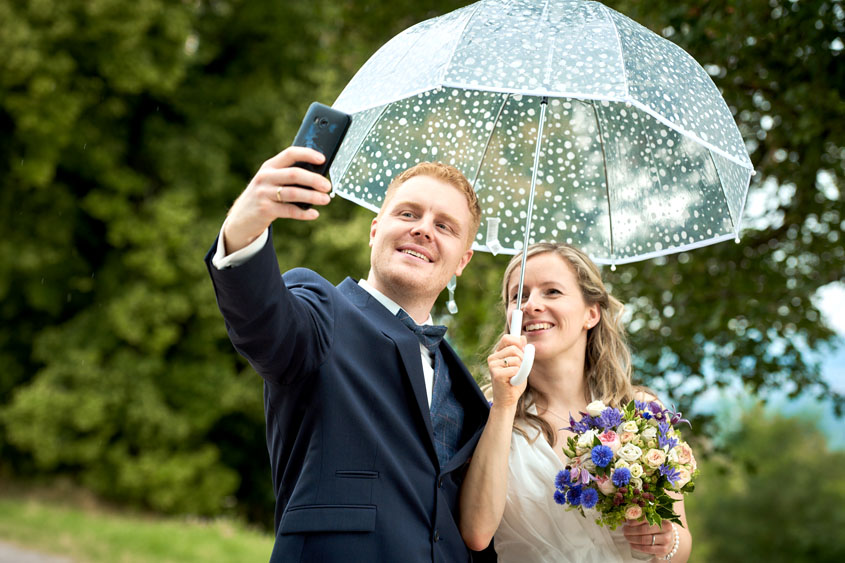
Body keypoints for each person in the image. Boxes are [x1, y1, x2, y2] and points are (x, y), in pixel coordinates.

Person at [205, 146, 494, 562]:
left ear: (462, 260)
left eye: (445, 226)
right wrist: (243, 229)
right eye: (408, 214)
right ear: (375, 230)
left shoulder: (462, 378)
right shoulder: (321, 311)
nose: (424, 230)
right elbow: (263, 323)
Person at [459, 242, 692, 562]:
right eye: (519, 296)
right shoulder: (485, 413)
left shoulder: (639, 410)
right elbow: (476, 532)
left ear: (591, 313)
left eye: (552, 291)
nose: (531, 305)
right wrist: (504, 404)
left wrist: (667, 541)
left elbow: (680, 541)